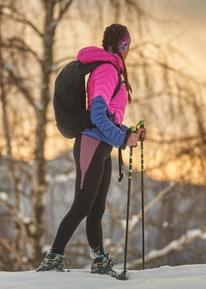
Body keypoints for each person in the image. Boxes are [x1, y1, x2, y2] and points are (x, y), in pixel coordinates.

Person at [37, 24, 146, 275]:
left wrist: (129, 134)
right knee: (81, 206)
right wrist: (121, 140)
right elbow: (97, 115)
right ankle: (53, 258)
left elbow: (109, 117)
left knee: (96, 209)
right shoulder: (107, 70)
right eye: (128, 46)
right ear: (123, 46)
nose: (129, 50)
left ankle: (98, 260)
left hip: (102, 147)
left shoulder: (111, 69)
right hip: (92, 144)